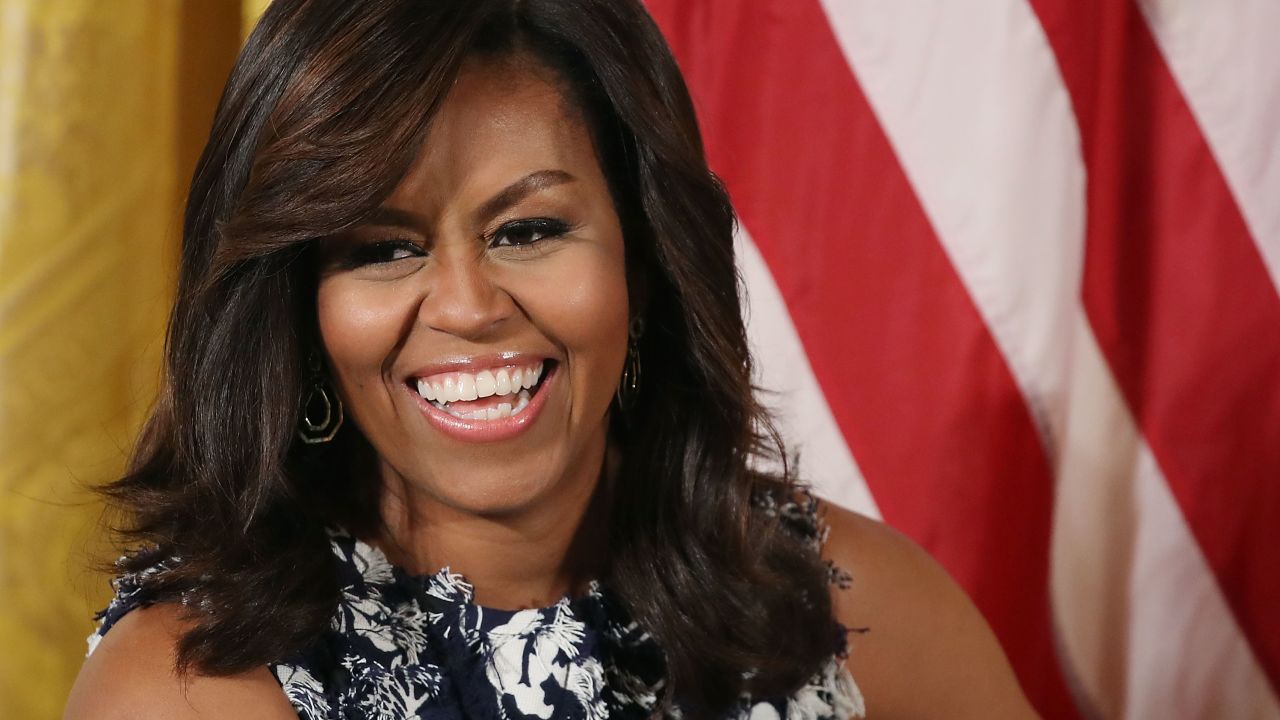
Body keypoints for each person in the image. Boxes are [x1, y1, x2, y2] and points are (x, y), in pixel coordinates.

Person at [65, 1, 1039, 718]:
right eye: (384, 247)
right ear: (296, 309)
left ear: (644, 263)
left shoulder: (842, 605)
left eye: (527, 229)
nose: (466, 306)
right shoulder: (193, 686)